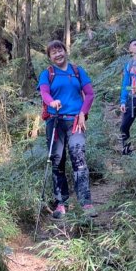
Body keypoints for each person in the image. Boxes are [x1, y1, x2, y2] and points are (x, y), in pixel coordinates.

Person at [38, 40, 98, 219]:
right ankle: (60, 203)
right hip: (55, 122)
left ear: (65, 51)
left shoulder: (78, 71)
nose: (58, 54)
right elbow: (44, 93)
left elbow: (89, 94)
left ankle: (85, 202)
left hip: (75, 122)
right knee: (57, 162)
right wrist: (52, 102)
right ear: (49, 57)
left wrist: (82, 112)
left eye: (60, 50)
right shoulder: (47, 74)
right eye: (53, 53)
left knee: (79, 159)